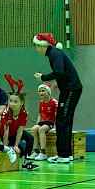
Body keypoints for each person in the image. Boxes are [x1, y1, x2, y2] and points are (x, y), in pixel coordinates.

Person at [34, 33, 83, 164]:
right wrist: (59, 85)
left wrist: (43, 78)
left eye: (36, 46)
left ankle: (63, 155)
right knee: (66, 121)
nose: (36, 49)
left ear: (40, 45)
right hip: (69, 88)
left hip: (71, 90)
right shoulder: (54, 53)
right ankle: (67, 154)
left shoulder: (54, 54)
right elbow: (63, 73)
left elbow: (59, 72)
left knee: (61, 121)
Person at [0, 74, 39, 170]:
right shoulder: (6, 112)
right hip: (7, 135)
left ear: (22, 103)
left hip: (16, 132)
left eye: (15, 102)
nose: (12, 104)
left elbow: (20, 130)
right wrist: (5, 147)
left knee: (30, 137)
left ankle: (27, 161)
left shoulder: (24, 112)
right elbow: (6, 131)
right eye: (11, 101)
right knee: (19, 151)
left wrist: (16, 145)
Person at [28, 83, 58, 161]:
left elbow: (56, 116)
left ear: (48, 92)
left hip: (50, 123)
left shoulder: (53, 102)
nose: (41, 93)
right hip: (43, 122)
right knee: (33, 129)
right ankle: (35, 151)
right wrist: (37, 124)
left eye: (43, 91)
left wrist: (55, 127)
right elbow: (40, 115)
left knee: (41, 130)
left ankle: (43, 152)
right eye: (39, 91)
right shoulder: (41, 102)